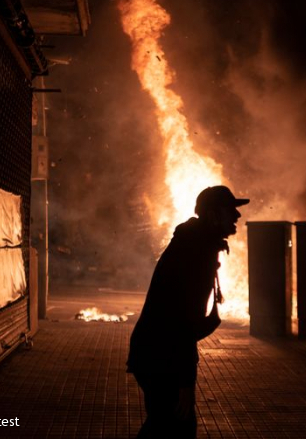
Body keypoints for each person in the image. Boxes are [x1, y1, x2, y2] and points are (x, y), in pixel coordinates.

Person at [127, 185, 249, 438]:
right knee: (176, 427)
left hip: (155, 353)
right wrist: (185, 384)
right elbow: (181, 324)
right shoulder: (195, 252)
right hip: (160, 356)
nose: (237, 216)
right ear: (214, 215)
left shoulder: (196, 244)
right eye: (231, 210)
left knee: (165, 425)